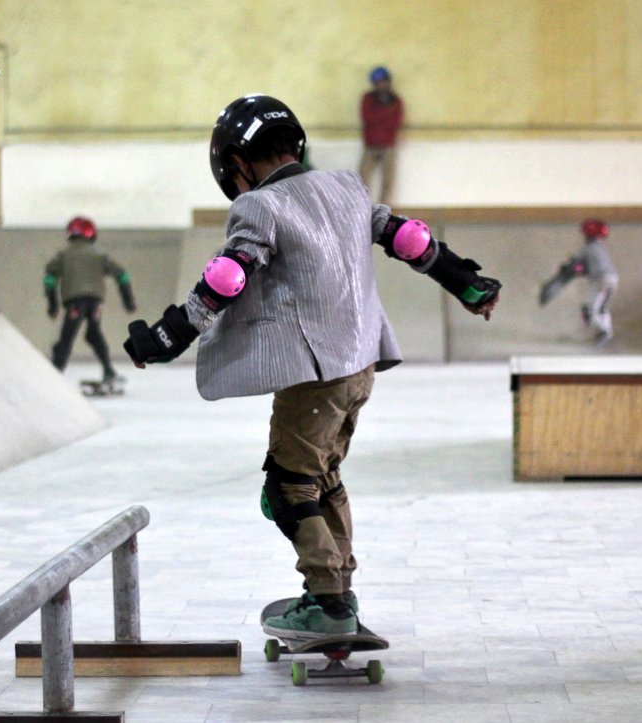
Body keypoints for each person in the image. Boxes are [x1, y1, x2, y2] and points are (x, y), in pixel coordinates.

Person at [123, 95, 501, 639]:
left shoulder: (260, 206)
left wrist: (168, 336)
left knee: (286, 487)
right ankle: (336, 590)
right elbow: (408, 238)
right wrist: (465, 283)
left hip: (316, 372)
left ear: (237, 162)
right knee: (321, 478)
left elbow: (229, 276)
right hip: (360, 364)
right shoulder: (346, 186)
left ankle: (328, 602)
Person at [44, 216, 136, 383]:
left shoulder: (64, 254)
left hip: (74, 303)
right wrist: (128, 300)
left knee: (66, 337)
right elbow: (122, 275)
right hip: (95, 303)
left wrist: (53, 303)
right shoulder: (99, 254)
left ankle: (55, 373)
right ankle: (108, 370)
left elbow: (49, 278)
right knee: (94, 334)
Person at [538, 219, 619, 346]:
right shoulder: (600, 249)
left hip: (600, 280)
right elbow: (586, 267)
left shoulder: (588, 249)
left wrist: (566, 268)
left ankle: (602, 333)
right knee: (602, 307)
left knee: (589, 309)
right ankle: (606, 332)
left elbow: (576, 266)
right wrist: (578, 268)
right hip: (612, 279)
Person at [358, 66, 403, 205]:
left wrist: (378, 117)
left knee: (388, 181)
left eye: (383, 81)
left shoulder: (396, 101)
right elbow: (367, 118)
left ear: (389, 82)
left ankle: (384, 210)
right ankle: (362, 207)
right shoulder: (367, 99)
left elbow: (395, 123)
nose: (381, 85)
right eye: (378, 82)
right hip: (370, 145)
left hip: (388, 146)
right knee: (361, 179)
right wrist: (386, 113)